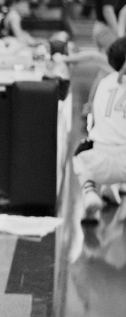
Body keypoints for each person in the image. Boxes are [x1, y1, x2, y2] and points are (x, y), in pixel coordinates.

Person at [73, 36, 126, 219]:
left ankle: (90, 192)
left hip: (99, 160)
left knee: (80, 153)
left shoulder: (104, 82)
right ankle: (115, 186)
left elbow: (94, 123)